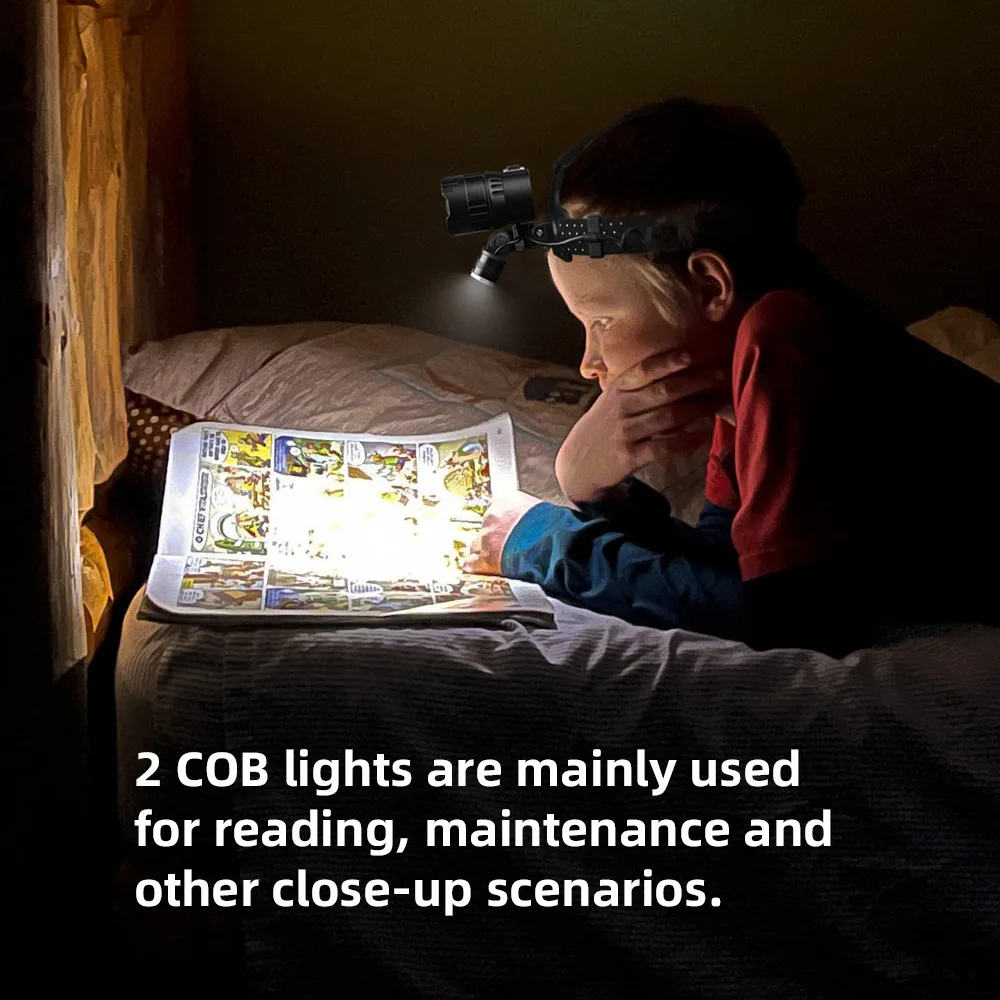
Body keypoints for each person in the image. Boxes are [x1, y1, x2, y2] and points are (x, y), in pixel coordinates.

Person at [463, 98, 1000, 656]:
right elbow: (732, 562)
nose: (589, 361)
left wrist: (548, 544)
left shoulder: (784, 338)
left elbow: (783, 617)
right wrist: (599, 493)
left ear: (711, 286)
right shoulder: (740, 355)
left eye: (602, 322)